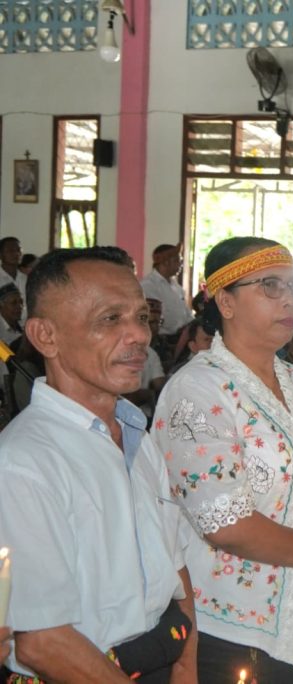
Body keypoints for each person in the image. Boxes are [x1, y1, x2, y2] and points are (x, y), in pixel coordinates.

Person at [151, 237, 293, 682]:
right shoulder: (198, 390)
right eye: (270, 286)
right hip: (231, 627)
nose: (289, 299)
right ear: (226, 301)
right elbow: (228, 525)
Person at [0, 246, 196, 682]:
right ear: (45, 336)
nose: (139, 334)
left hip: (160, 655)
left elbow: (175, 567)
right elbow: (42, 641)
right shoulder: (23, 463)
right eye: (110, 319)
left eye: (141, 317)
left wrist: (186, 667)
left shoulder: (137, 437)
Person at [141, 244, 193, 338]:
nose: (181, 264)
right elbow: (154, 319)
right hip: (162, 340)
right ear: (165, 262)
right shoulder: (149, 285)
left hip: (181, 337)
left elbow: (186, 313)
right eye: (177, 260)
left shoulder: (177, 287)